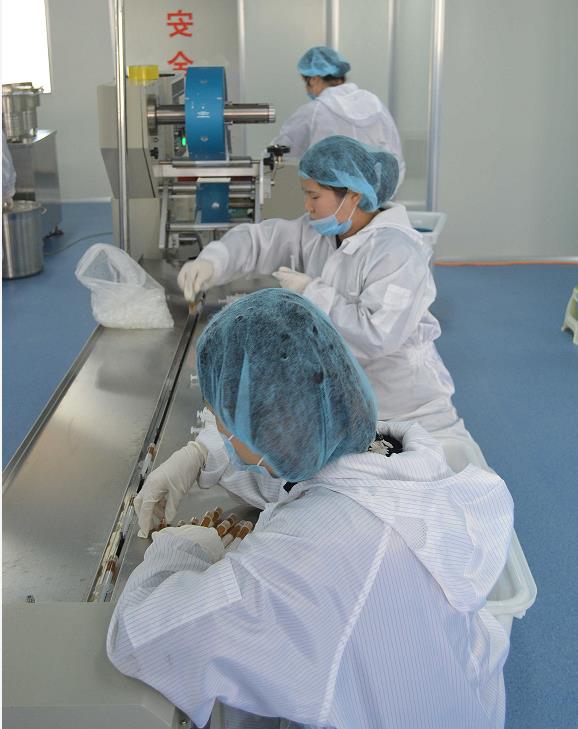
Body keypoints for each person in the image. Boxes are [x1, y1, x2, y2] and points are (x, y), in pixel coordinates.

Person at [108, 288, 514, 729]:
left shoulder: (303, 560)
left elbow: (142, 637)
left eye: (219, 416)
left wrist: (181, 549)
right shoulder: (400, 456)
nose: (217, 423)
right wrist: (204, 455)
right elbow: (309, 472)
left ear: (265, 426)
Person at [177, 135, 483, 470]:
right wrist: (213, 261)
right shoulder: (322, 231)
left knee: (445, 476)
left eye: (314, 196)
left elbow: (377, 336)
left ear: (353, 195)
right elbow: (261, 241)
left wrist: (314, 292)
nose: (307, 206)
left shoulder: (397, 252)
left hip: (409, 404)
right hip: (351, 404)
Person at [270, 45, 405, 187]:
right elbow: (396, 160)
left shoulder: (314, 111)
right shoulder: (375, 105)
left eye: (306, 83)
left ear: (314, 79)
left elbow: (281, 152)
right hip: (377, 196)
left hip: (328, 197)